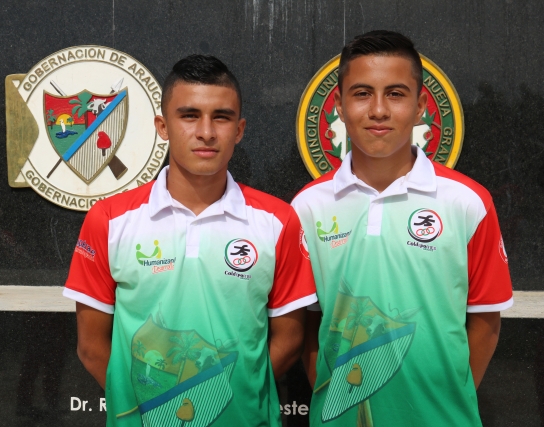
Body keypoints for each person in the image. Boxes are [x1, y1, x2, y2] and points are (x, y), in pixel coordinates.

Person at [64, 54, 317, 426]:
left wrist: (218, 398)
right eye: (189, 115)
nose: (206, 132)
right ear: (163, 126)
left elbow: (290, 340)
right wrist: (159, 408)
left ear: (239, 130)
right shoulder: (110, 219)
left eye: (221, 117)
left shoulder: (278, 221)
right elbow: (91, 348)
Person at [291, 31, 513, 426]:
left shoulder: (467, 202)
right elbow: (308, 325)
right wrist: (333, 396)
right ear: (339, 105)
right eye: (362, 94)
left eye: (395, 94)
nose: (378, 110)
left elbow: (485, 321)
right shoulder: (307, 206)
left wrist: (445, 397)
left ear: (421, 106)